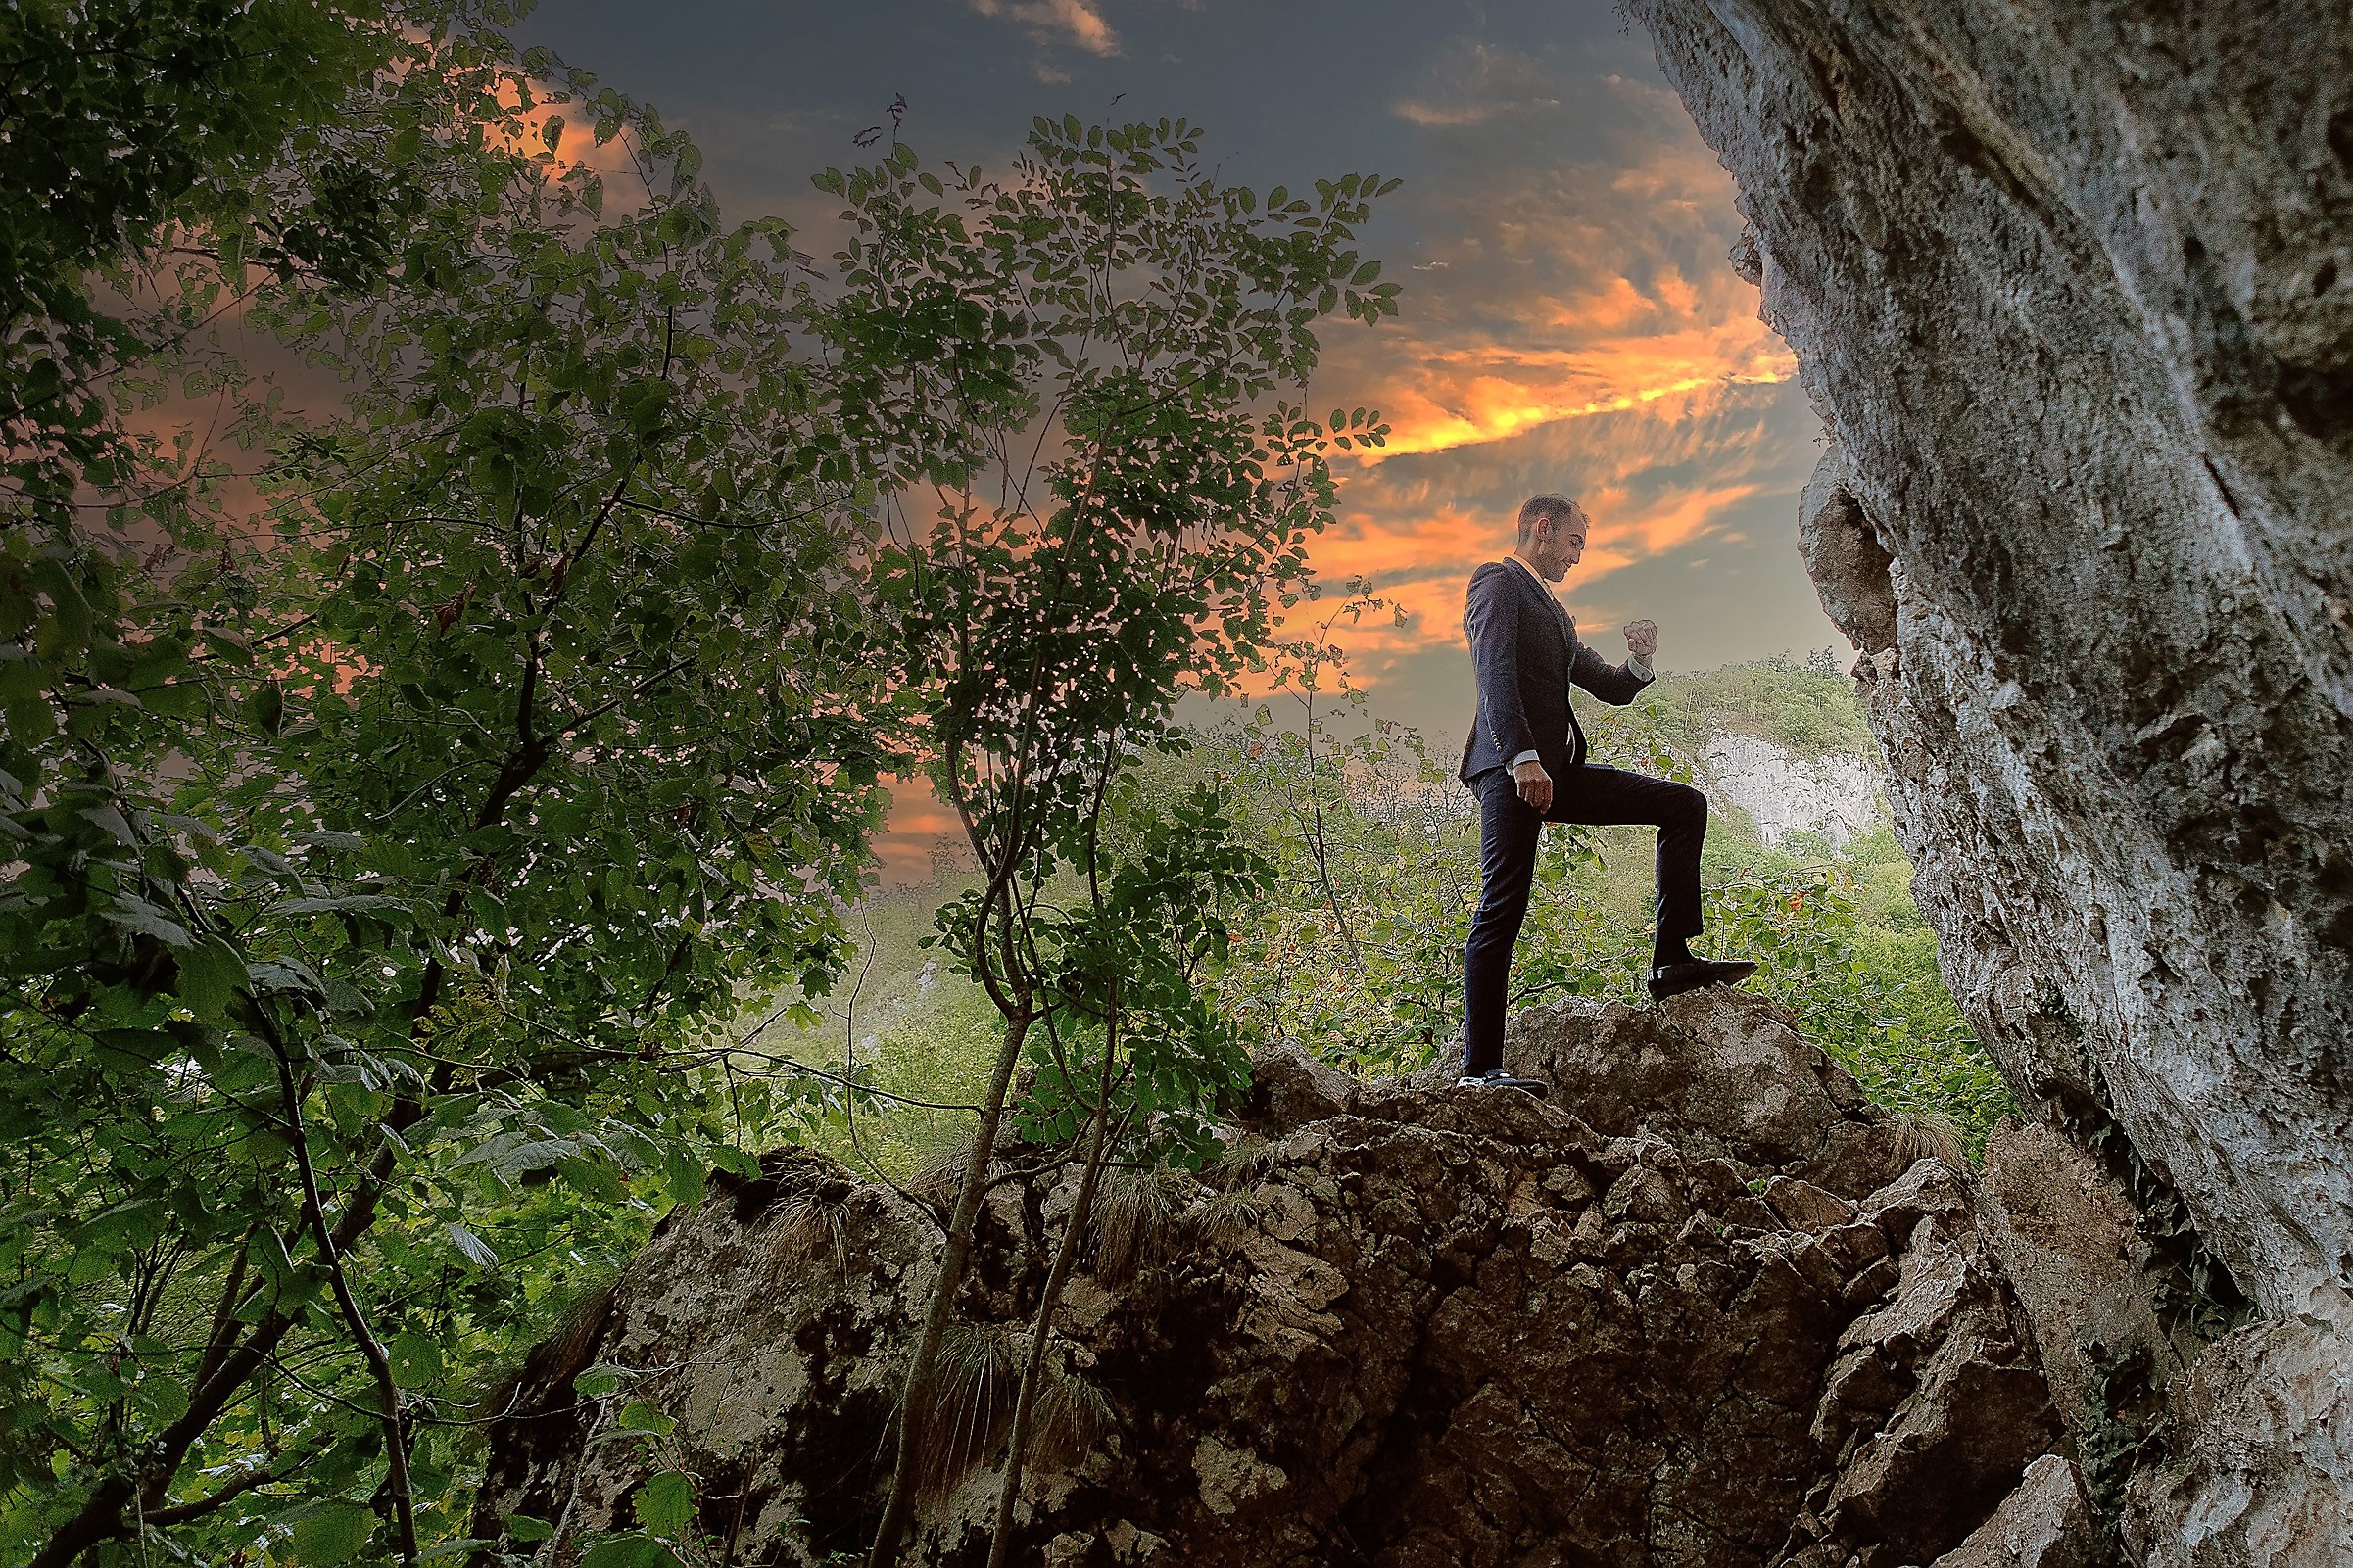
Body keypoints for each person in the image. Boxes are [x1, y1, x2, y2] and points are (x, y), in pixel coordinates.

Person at [1455, 494, 1755, 1095]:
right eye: (1574, 542)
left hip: (1559, 773)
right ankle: (1480, 1070)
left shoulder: (1556, 615)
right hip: (1513, 770)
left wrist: (1640, 661)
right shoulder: (1496, 584)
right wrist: (1521, 757)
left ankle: (1672, 959)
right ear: (1543, 528)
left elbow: (1610, 688)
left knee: (1683, 805)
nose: (1578, 554)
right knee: (1503, 904)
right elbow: (1493, 674)